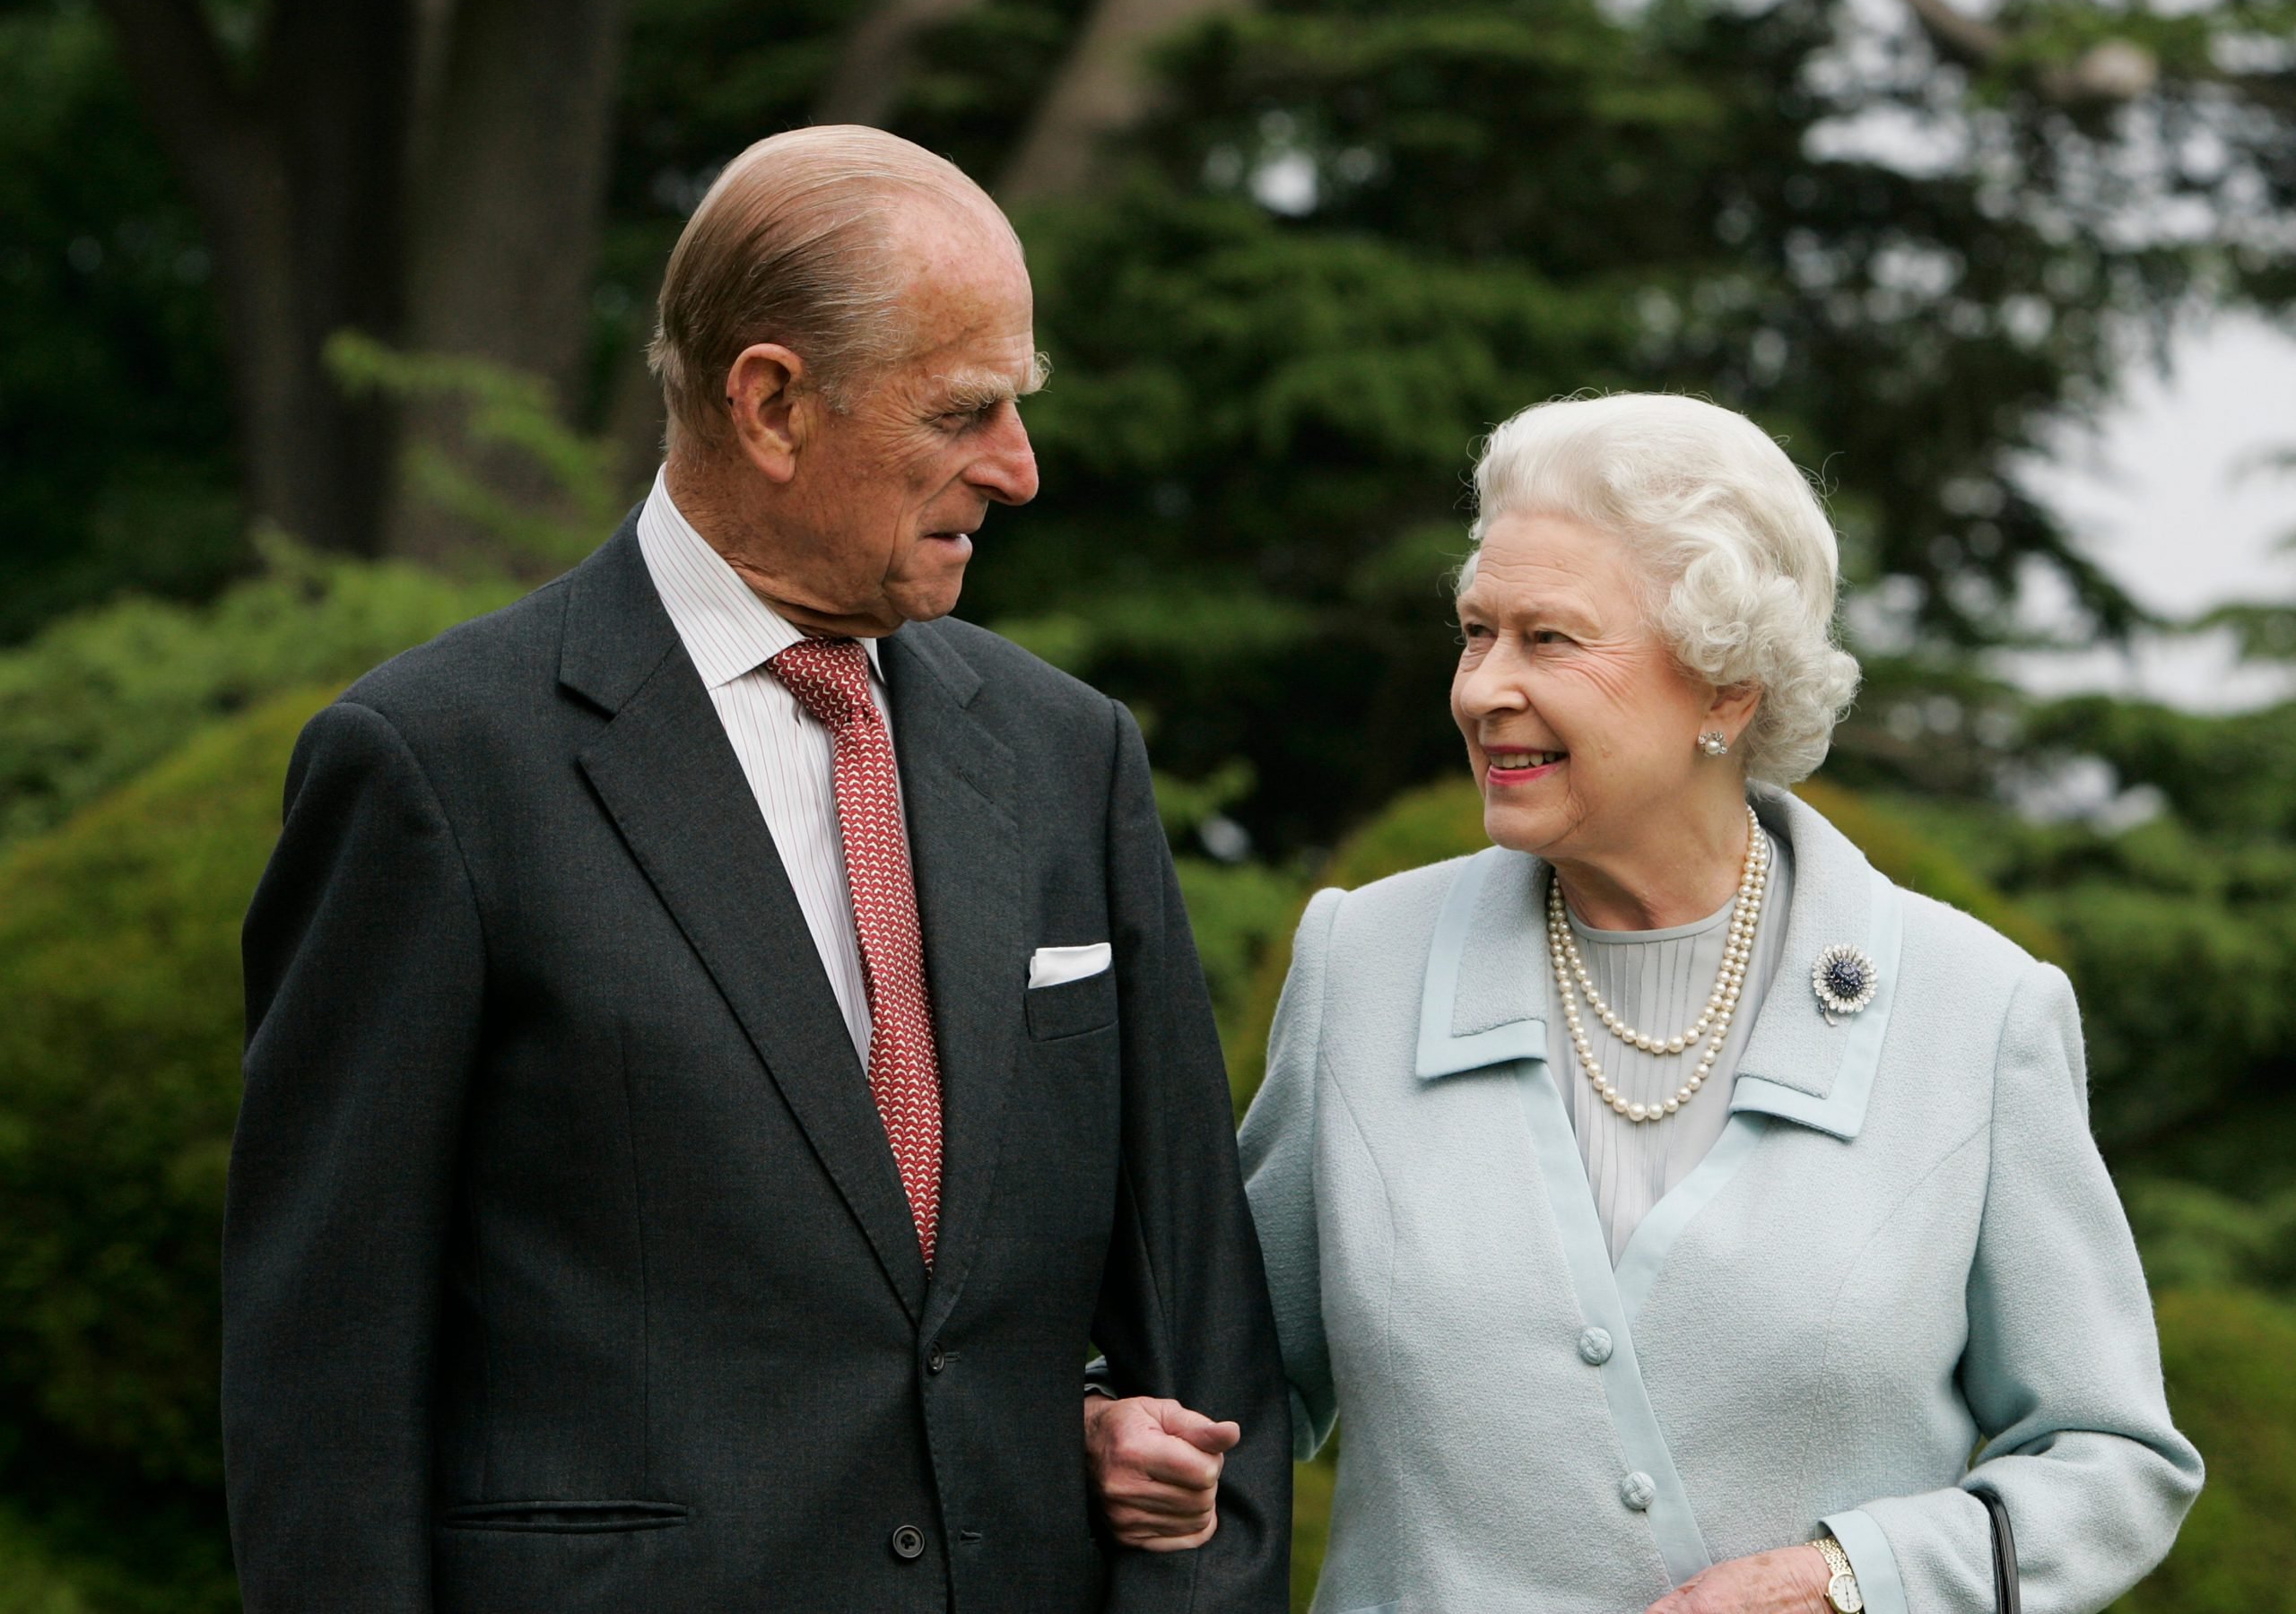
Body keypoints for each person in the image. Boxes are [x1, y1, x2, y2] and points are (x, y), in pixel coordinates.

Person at [224, 126, 1290, 1613]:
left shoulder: (1070, 757)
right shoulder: (433, 768)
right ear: (773, 404)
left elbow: (1205, 1334)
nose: (1020, 469)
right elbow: (320, 1387)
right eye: (965, 410)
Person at [1090, 392, 2202, 1613]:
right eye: (1476, 633)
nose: (1481, 690)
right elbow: (1225, 1375)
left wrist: (1848, 1581)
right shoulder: (1366, 961)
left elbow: (2113, 1464)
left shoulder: (1976, 1012)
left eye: (1550, 640)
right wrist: (1119, 1426)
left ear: (1727, 690)